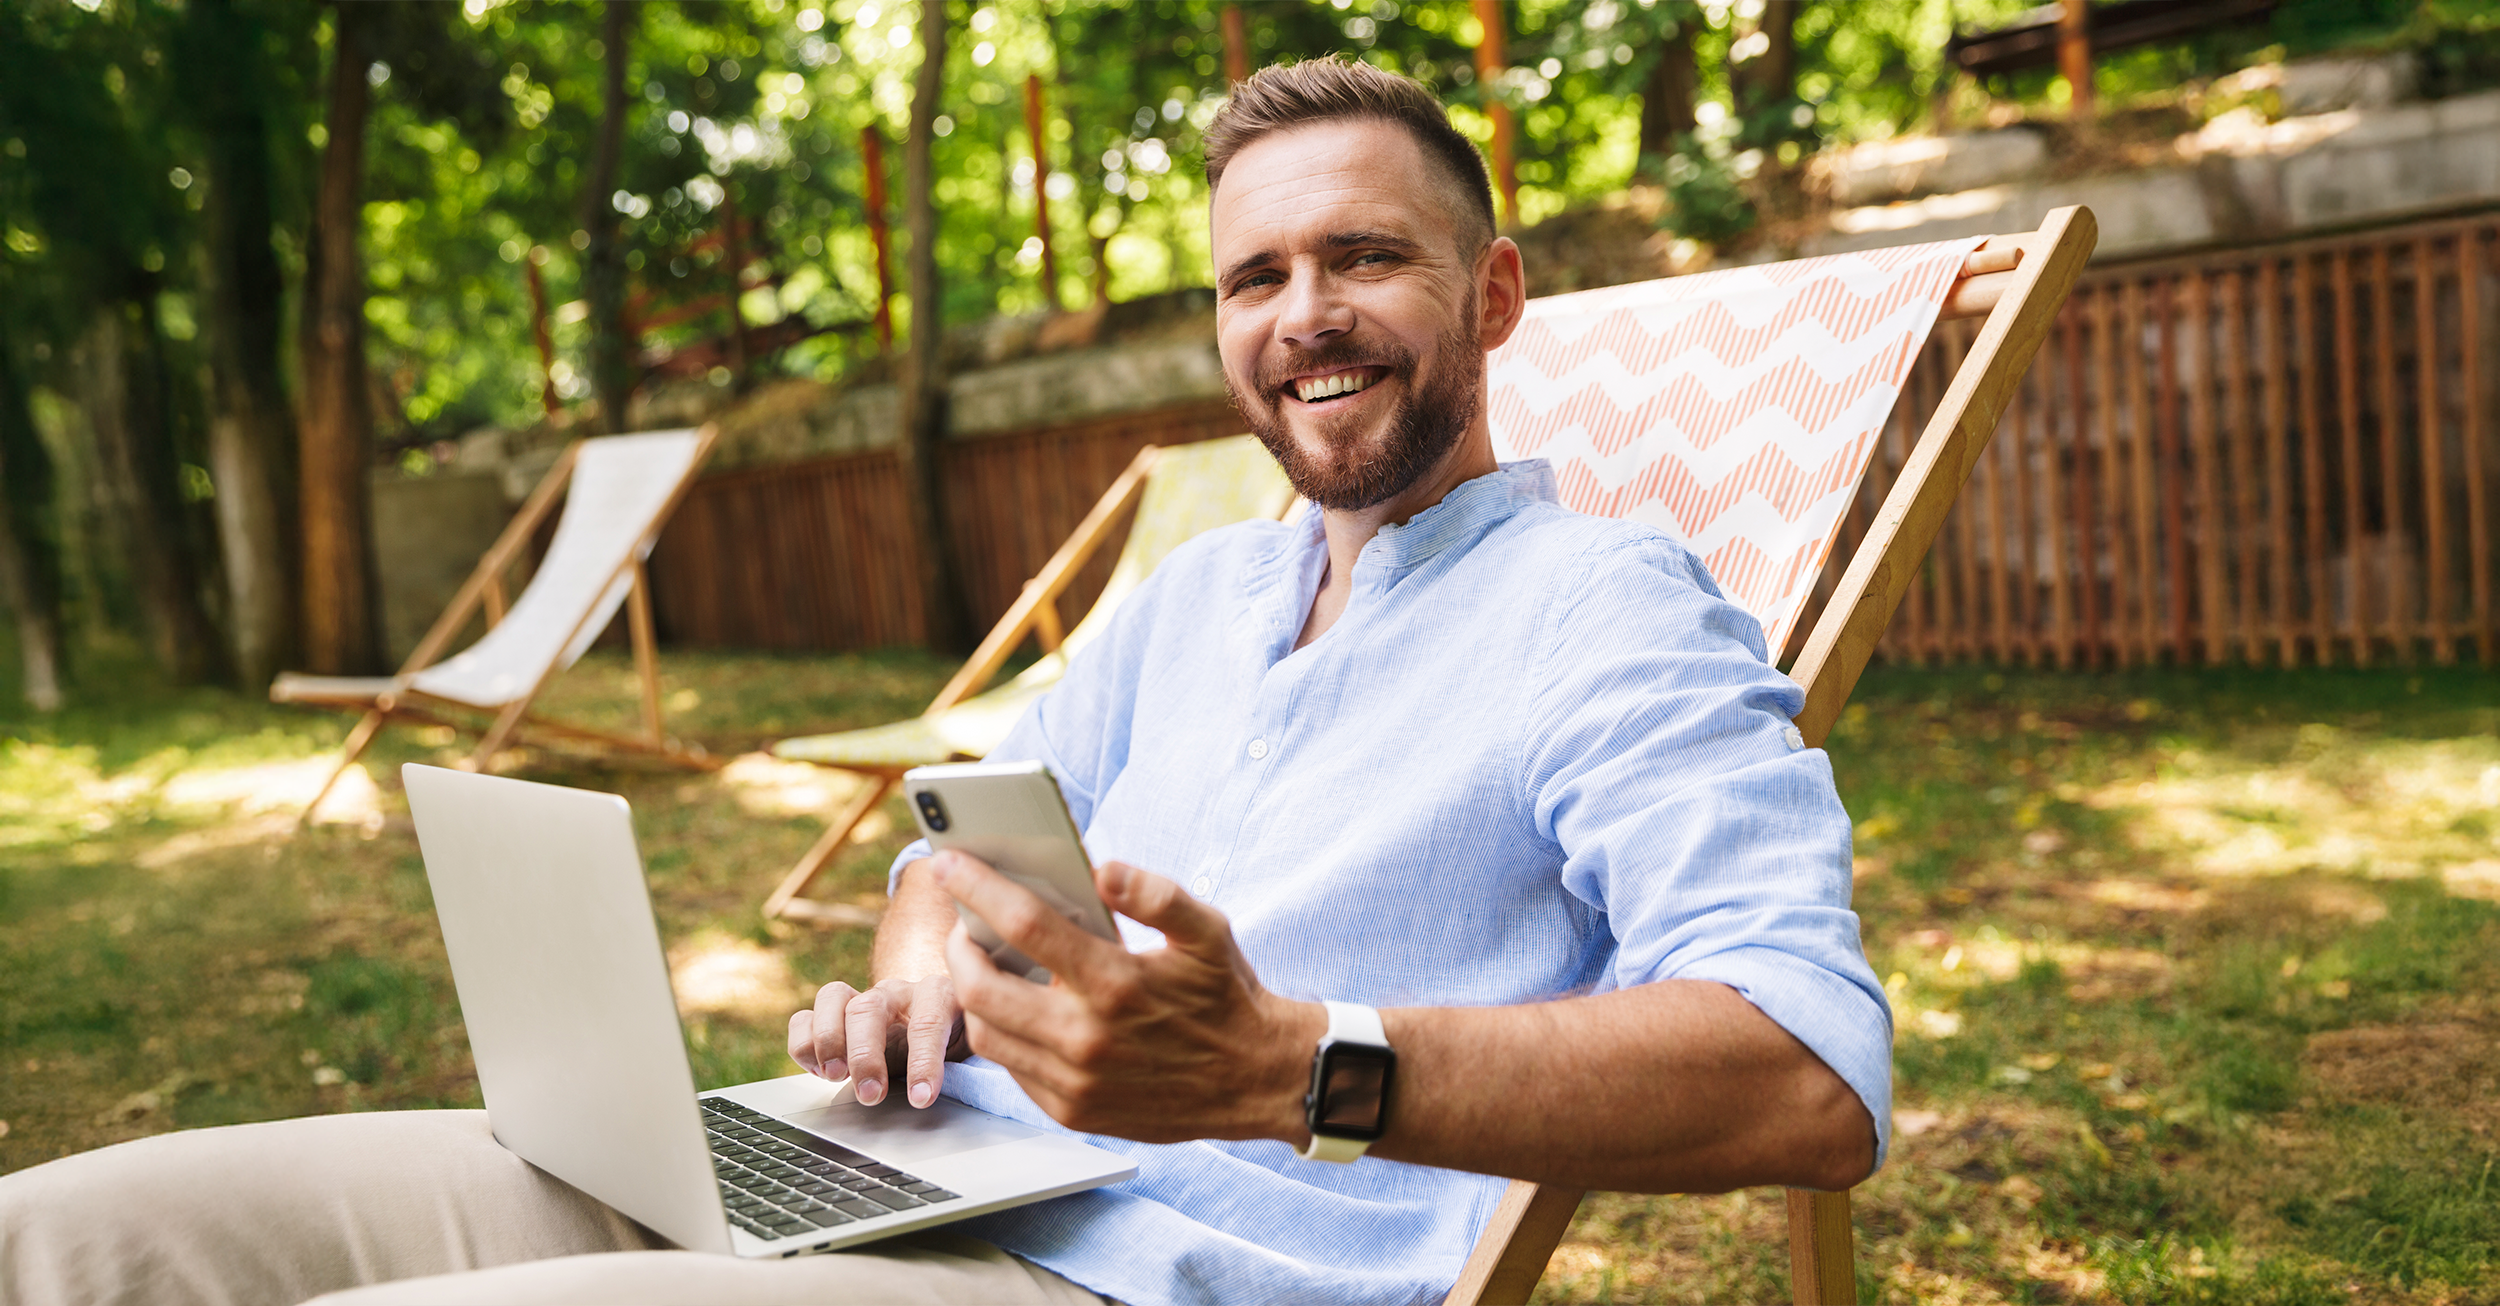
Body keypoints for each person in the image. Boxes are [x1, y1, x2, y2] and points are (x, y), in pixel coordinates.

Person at [0, 57, 1888, 1306]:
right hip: (890, 1171)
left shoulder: (1608, 607)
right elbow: (950, 841)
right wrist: (920, 964)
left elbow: (1809, 1071)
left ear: (1490, 301)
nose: (1302, 314)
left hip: (1119, 1275)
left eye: (1367, 258)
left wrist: (1287, 1062)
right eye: (1255, 276)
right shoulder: (1201, 592)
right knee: (71, 1238)